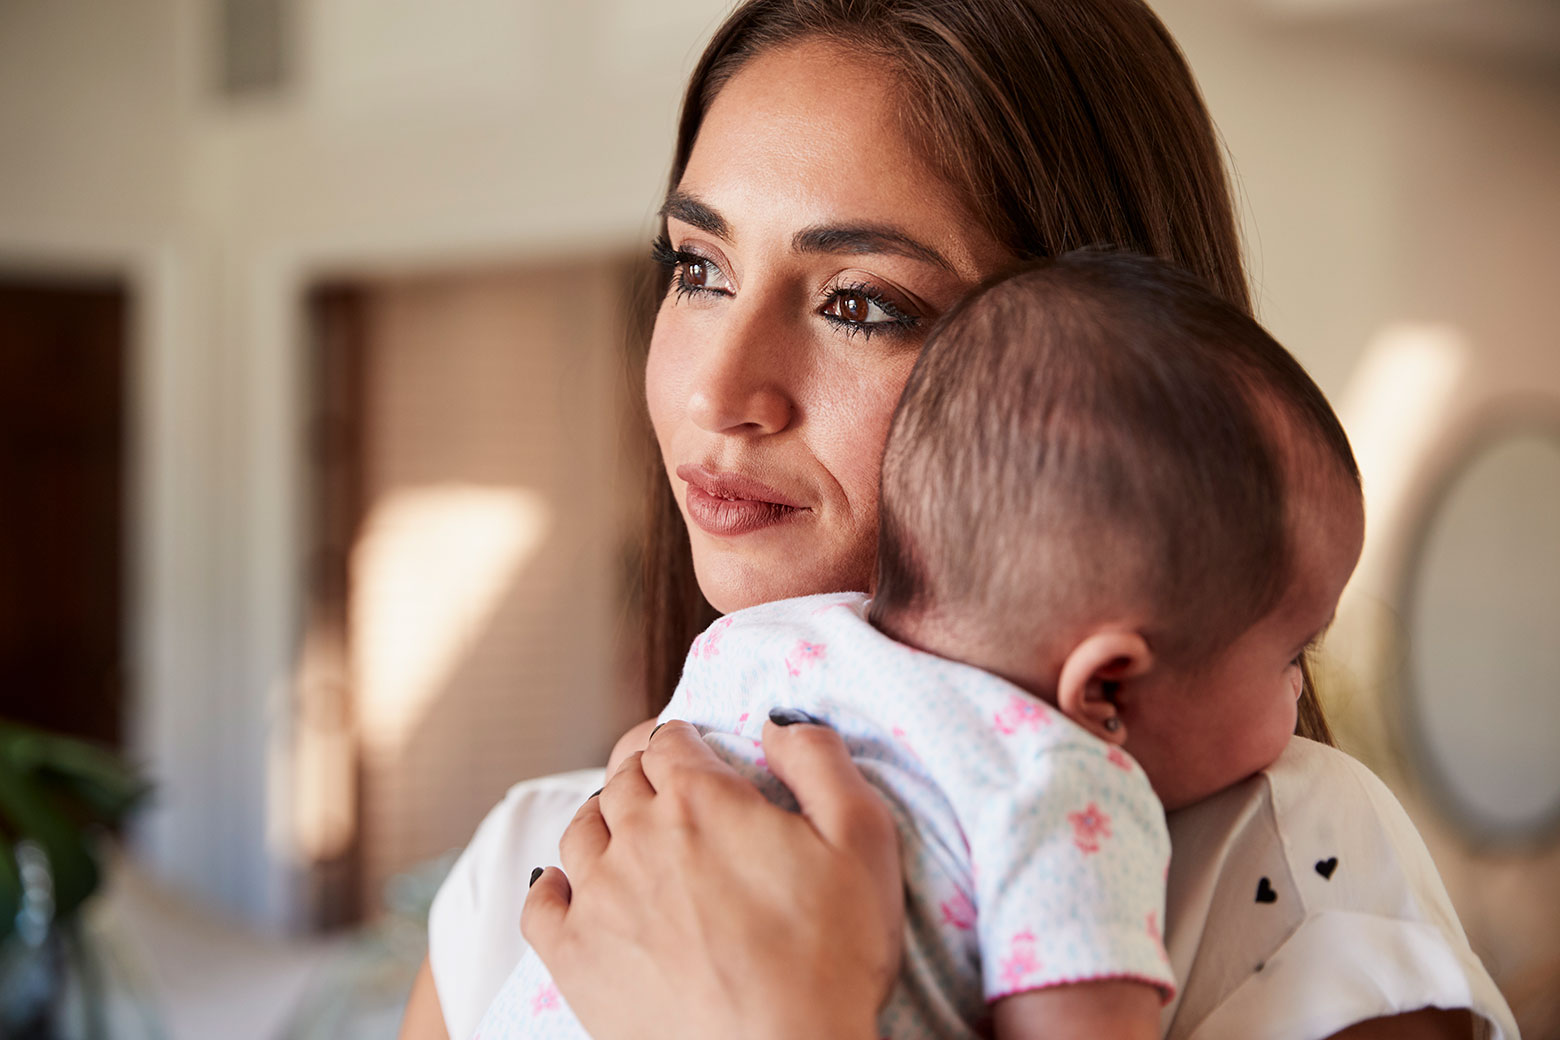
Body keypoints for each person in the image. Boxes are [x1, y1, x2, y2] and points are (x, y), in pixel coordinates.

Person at [396, 2, 1517, 1038]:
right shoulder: (519, 872)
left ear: (1106, 376)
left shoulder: (1300, 870)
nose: (717, 393)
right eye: (698, 267)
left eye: (860, 303)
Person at [471, 252, 1367, 1040]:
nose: (716, 392)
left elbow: (646, 760)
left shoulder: (764, 644)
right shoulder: (1068, 790)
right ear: (1107, 690)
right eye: (1292, 654)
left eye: (859, 303)